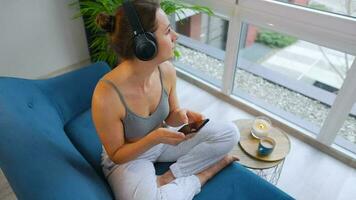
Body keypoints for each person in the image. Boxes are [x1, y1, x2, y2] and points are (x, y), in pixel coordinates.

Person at [91, 0, 240, 199]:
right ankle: (205, 175)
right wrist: (155, 137)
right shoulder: (106, 96)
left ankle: (169, 177)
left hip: (161, 143)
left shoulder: (166, 70)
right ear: (145, 45)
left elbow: (171, 116)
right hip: (130, 158)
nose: (176, 36)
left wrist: (182, 116)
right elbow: (117, 155)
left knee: (230, 133)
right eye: (168, 31)